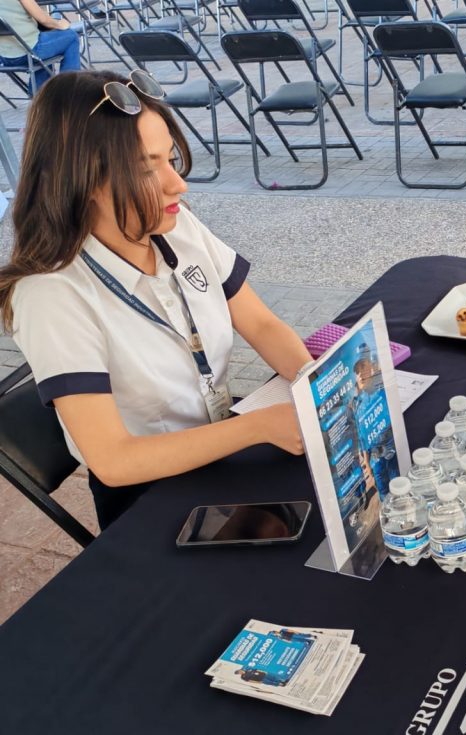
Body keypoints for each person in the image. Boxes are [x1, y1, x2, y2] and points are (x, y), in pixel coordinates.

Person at [0, 70, 312, 529]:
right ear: (85, 179)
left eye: (171, 159)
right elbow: (114, 460)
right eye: (147, 169)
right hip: (150, 495)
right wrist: (258, 426)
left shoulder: (176, 226)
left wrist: (315, 385)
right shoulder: (51, 295)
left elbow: (261, 324)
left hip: (221, 446)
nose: (177, 184)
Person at [0, 0, 81, 94]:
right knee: (71, 36)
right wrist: (60, 24)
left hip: (4, 57)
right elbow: (43, 20)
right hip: (29, 51)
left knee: (44, 55)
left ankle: (40, 96)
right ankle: (69, 91)